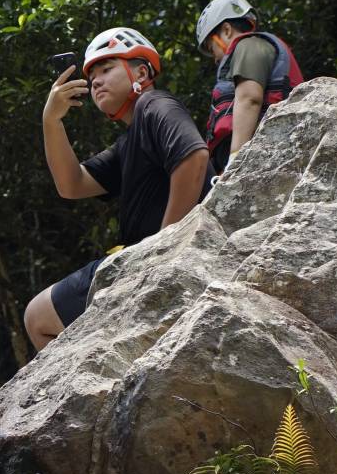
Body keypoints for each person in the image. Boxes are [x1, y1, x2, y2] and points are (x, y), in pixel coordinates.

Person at [25, 26, 210, 352]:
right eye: (92, 75)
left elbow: (193, 157)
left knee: (38, 318)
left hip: (156, 258)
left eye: (107, 68)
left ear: (142, 71)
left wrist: (166, 244)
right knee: (38, 317)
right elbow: (71, 184)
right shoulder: (128, 143)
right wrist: (51, 121)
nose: (95, 80)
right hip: (143, 262)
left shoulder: (155, 104)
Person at [196, 0, 303, 174]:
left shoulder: (249, 45)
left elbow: (249, 98)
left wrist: (236, 161)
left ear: (227, 30)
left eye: (211, 47)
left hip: (263, 156)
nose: (214, 59)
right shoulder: (253, 47)